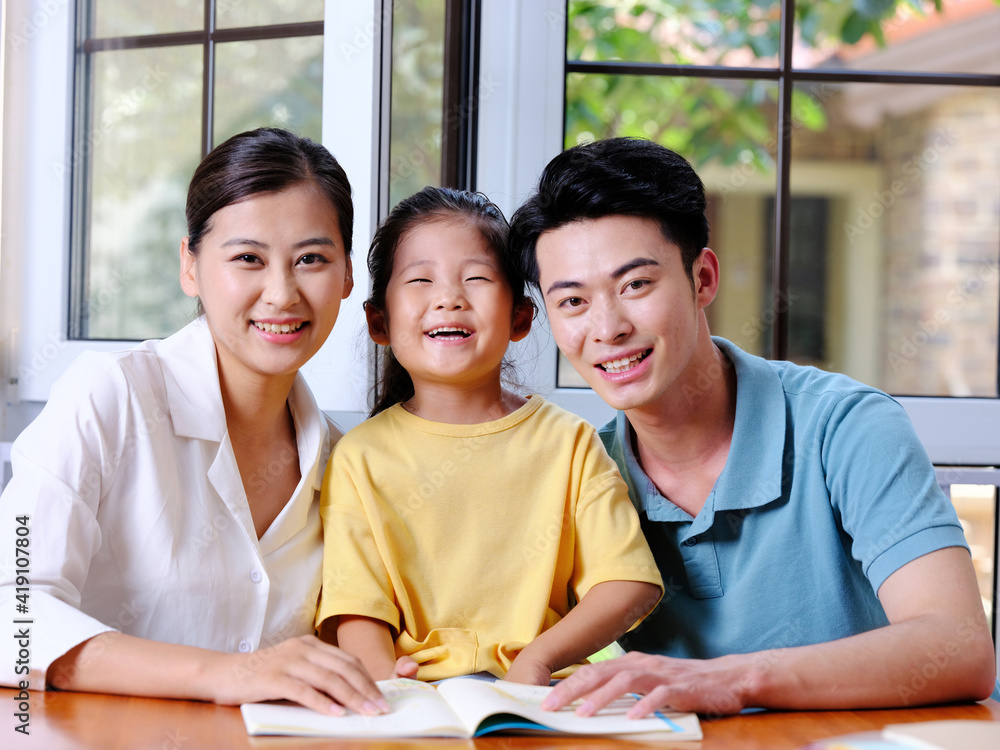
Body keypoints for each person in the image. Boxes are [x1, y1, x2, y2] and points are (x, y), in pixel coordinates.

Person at [507, 137, 997, 716]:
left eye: (636, 284)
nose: (607, 327)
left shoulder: (846, 427)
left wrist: (730, 681)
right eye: (572, 302)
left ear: (702, 279)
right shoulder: (583, 473)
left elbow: (959, 648)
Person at [0, 127, 391, 716]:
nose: (281, 293)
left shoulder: (345, 461)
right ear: (191, 266)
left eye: (311, 259)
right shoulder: (110, 397)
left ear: (346, 279)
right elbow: (13, 615)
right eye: (248, 259)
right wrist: (231, 674)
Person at [315, 186, 663, 685]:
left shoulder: (570, 444)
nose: (449, 298)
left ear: (520, 316)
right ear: (379, 321)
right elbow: (355, 606)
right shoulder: (359, 457)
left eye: (476, 278)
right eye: (419, 279)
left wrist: (538, 659)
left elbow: (628, 581)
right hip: (411, 699)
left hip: (539, 697)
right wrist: (387, 690)